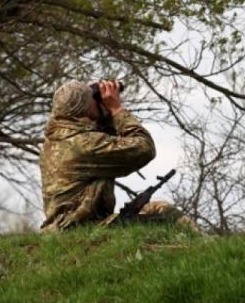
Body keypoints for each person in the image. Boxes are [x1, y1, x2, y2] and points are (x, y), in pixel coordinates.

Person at [40, 79, 186, 231]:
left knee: (153, 208)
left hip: (64, 226)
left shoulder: (56, 140)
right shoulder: (85, 145)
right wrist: (116, 110)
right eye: (93, 99)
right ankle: (208, 248)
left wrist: (102, 114)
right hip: (81, 228)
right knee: (164, 211)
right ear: (85, 108)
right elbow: (145, 147)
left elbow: (104, 144)